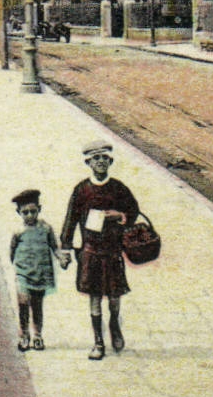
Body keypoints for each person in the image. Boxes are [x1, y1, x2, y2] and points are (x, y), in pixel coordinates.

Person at [60, 139, 140, 360]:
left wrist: (120, 216)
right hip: (91, 251)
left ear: (110, 162)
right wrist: (65, 249)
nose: (101, 162)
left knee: (114, 297)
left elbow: (134, 211)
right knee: (94, 296)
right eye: (96, 158)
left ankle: (114, 325)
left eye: (105, 158)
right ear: (88, 163)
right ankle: (98, 342)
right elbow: (70, 220)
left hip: (112, 251)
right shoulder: (81, 190)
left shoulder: (118, 188)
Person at [9, 189, 70, 351]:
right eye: (25, 212)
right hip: (23, 274)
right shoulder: (18, 231)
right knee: (23, 304)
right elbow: (12, 252)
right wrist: (18, 268)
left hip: (40, 274)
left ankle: (37, 335)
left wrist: (61, 258)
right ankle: (24, 335)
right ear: (19, 212)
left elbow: (54, 247)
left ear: (39, 209)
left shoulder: (46, 228)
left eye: (33, 211)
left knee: (37, 306)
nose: (29, 215)